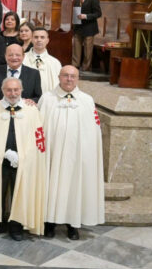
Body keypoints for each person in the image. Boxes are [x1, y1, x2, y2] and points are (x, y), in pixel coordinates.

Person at [0, 77, 47, 240]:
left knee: (19, 191)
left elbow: (38, 138)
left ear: (21, 90)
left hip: (23, 160)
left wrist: (23, 155)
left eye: (16, 90)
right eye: (9, 90)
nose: (12, 93)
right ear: (3, 91)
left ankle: (16, 226)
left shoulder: (31, 110)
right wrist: (3, 152)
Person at [39, 66, 104, 240]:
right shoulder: (47, 99)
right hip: (53, 154)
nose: (69, 79)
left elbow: (94, 130)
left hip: (77, 157)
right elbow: (39, 127)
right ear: (59, 77)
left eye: (73, 76)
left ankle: (73, 225)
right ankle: (49, 223)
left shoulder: (87, 100)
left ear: (78, 79)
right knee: (51, 187)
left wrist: (88, 155)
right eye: (66, 76)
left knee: (74, 188)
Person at [72, 0, 102, 71]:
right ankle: (75, 66)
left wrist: (86, 16)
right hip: (78, 27)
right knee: (76, 47)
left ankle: (86, 67)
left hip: (89, 27)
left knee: (88, 50)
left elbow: (98, 13)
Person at [23, 27, 62, 94]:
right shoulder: (22, 59)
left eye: (42, 37)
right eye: (36, 37)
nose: (39, 40)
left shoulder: (55, 62)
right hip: (26, 100)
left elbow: (60, 85)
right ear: (31, 40)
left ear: (47, 40)